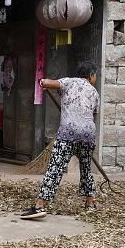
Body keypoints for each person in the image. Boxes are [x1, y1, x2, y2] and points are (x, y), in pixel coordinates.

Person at [21, 61, 100, 219]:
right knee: (86, 169)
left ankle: (39, 206)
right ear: (90, 76)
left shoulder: (68, 81)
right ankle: (90, 203)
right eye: (95, 75)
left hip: (68, 134)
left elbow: (51, 83)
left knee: (55, 168)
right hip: (88, 134)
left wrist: (43, 82)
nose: (95, 78)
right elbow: (94, 116)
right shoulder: (94, 92)